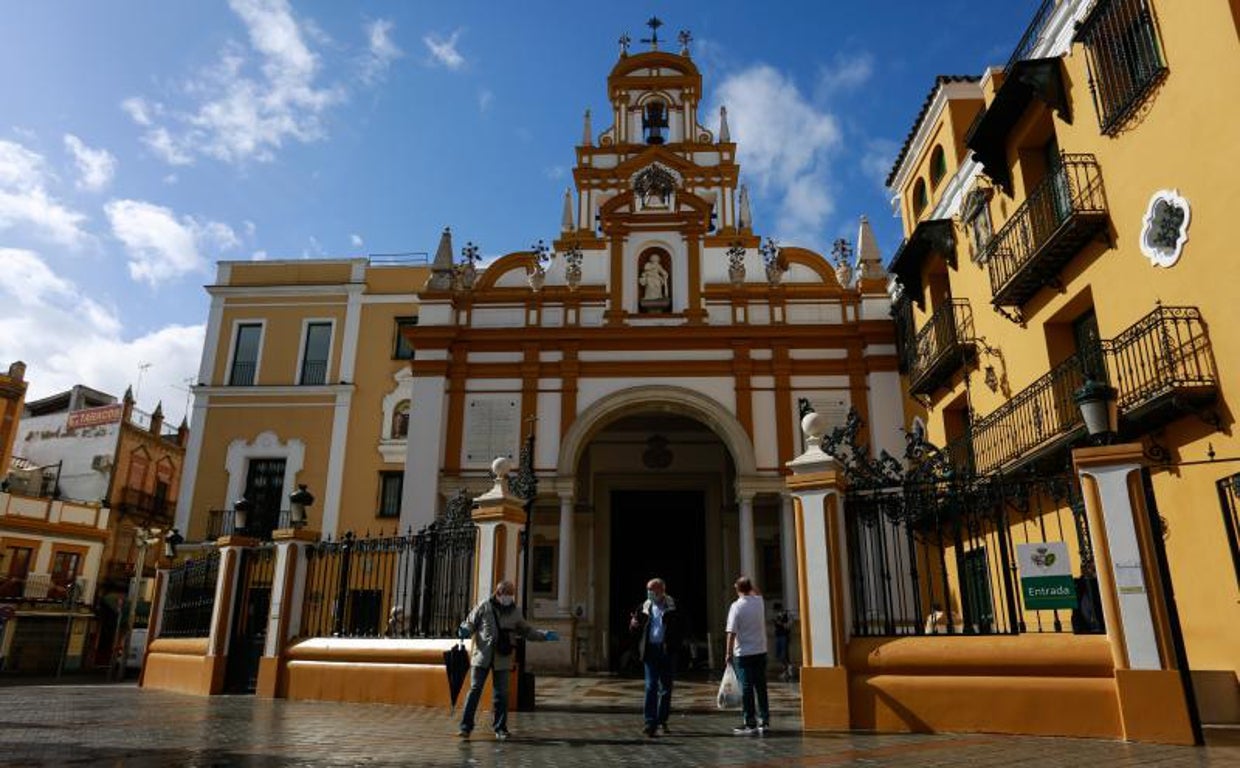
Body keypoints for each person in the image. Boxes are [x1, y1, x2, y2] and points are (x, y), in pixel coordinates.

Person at [456, 580, 558, 740]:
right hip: (482, 656)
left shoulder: (515, 612)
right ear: (498, 593)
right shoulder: (484, 606)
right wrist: (464, 630)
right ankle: (465, 727)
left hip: (503, 657)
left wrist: (544, 635)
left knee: (502, 694)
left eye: (511, 594)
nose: (509, 597)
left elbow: (527, 631)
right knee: (475, 691)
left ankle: (500, 728)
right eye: (507, 594)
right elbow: (470, 623)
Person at [629, 577, 683, 736]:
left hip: (667, 650)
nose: (649, 593)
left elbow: (683, 626)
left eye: (652, 590)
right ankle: (649, 722)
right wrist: (633, 625)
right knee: (651, 686)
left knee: (666, 688)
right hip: (650, 650)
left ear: (661, 590)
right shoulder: (644, 606)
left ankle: (662, 720)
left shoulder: (674, 606)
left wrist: (675, 644)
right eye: (648, 589)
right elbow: (635, 628)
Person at [725, 576, 769, 736]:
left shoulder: (736, 607)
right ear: (750, 588)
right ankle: (764, 720)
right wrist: (750, 585)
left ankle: (749, 722)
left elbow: (731, 632)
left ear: (737, 589)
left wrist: (728, 653)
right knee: (761, 686)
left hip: (743, 653)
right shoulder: (759, 602)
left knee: (746, 687)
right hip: (760, 650)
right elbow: (758, 592)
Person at [772, 602, 792, 682]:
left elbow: (788, 625)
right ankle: (787, 669)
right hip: (778, 636)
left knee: (784, 654)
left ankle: (787, 670)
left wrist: (781, 624)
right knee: (779, 654)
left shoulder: (786, 615)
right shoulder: (777, 616)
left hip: (784, 636)